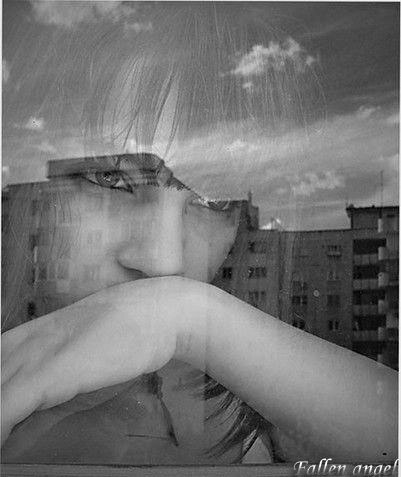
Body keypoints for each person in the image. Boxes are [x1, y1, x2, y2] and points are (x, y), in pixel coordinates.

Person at [1, 2, 397, 466]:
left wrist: (189, 318)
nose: (164, 262)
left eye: (215, 203)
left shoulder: (252, 421)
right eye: (110, 179)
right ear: (30, 204)